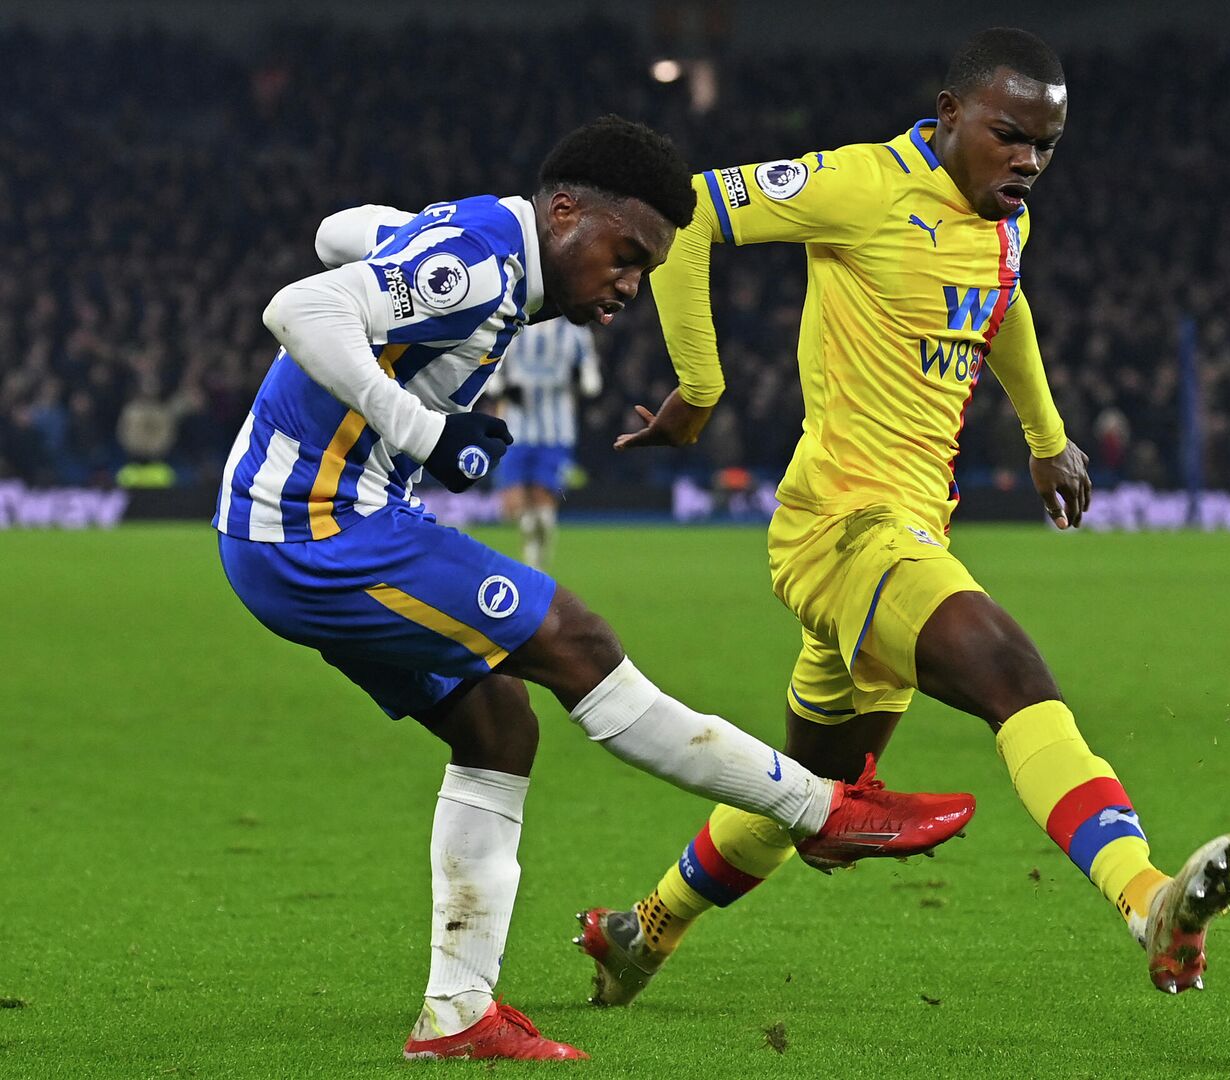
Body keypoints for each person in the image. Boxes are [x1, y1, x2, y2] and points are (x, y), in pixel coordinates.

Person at [213, 115, 975, 1062]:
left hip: (301, 526)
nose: (631, 285)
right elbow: (300, 305)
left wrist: (410, 246)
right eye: (625, 255)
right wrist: (424, 430)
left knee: (499, 726)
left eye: (647, 268)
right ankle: (822, 811)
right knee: (574, 641)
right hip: (316, 529)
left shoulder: (483, 244)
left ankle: (457, 1016)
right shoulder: (485, 266)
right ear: (563, 211)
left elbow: (337, 232)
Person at [576, 28, 1230, 1005]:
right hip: (842, 529)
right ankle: (1147, 900)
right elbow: (681, 214)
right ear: (948, 116)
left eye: (1046, 146)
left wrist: (1045, 437)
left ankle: (643, 931)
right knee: (1014, 678)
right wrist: (698, 384)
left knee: (810, 803)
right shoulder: (858, 185)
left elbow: (1004, 299)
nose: (1027, 160)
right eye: (1009, 134)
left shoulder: (1002, 219)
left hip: (907, 536)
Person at [491, 317, 601, 568]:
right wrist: (503, 389)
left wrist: (580, 378)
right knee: (513, 507)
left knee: (543, 500)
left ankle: (536, 560)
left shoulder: (575, 331)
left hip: (556, 430)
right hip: (516, 427)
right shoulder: (513, 327)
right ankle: (534, 537)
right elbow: (492, 372)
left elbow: (592, 382)